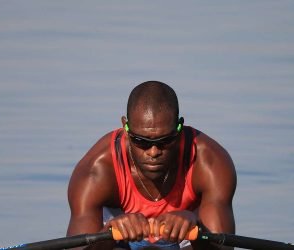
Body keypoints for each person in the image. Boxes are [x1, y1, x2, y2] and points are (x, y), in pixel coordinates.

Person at [67, 81, 237, 250]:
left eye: (165, 141)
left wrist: (197, 229)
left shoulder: (210, 162)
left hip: (185, 243)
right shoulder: (96, 170)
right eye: (141, 141)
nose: (153, 152)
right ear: (126, 128)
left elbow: (224, 248)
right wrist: (108, 234)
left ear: (179, 128)